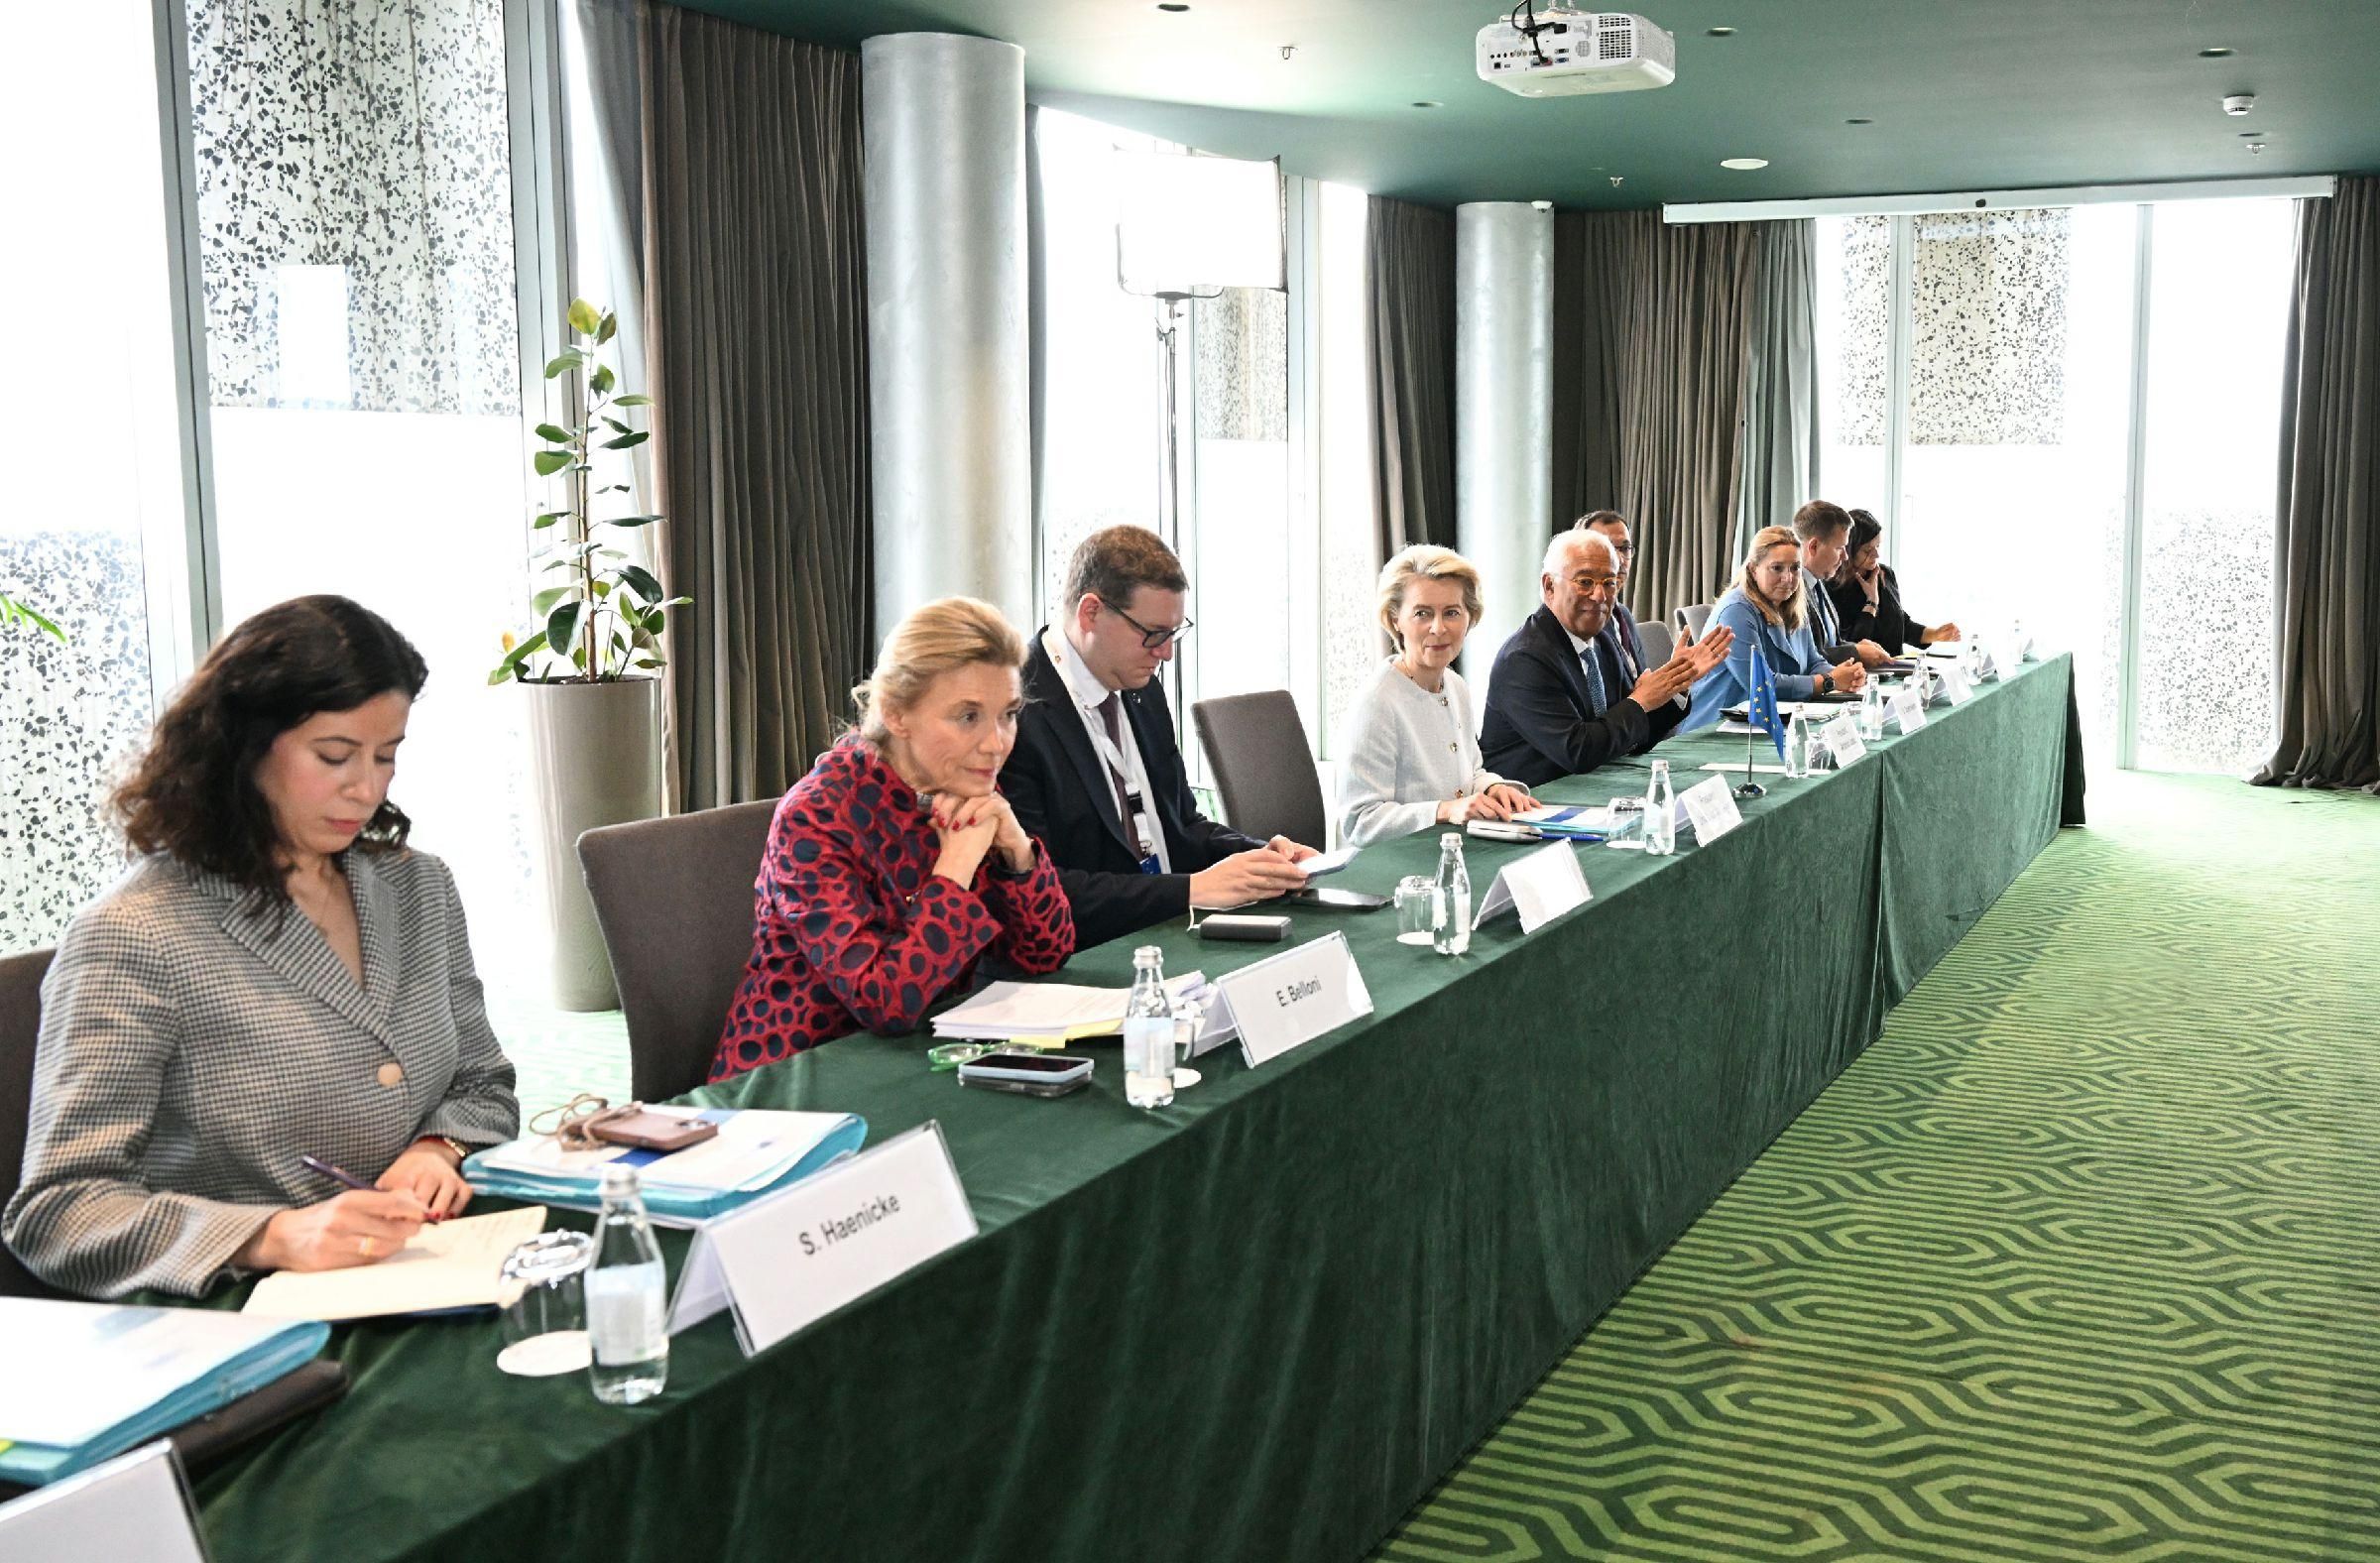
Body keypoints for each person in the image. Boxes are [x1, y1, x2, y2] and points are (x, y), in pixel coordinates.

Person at [4, 596, 519, 1300]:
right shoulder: (137, 933)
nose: (366, 789)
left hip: (431, 1272)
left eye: (387, 756)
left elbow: (482, 1084)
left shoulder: (417, 887)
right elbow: (59, 1211)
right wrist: (270, 1235)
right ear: (243, 748)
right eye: (334, 756)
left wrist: (439, 1147)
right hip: (243, 1309)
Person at [713, 597, 1074, 1079]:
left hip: (921, 1060)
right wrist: (954, 870)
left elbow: (1046, 955)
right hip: (793, 1079)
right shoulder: (817, 816)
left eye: (1007, 714)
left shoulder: (962, 788)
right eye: (968, 717)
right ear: (896, 714)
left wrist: (1018, 853)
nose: (996, 743)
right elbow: (884, 1002)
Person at [1004, 526, 1317, 951]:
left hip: (1168, 933)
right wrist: (1190, 890)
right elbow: (1042, 890)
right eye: (1152, 634)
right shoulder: (1013, 710)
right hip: (1088, 955)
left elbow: (1181, 824)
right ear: (1090, 612)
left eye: (1173, 633)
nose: (1166, 653)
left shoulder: (1140, 687)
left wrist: (1260, 857)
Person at [1480, 531, 1734, 787]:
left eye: (1609, 582)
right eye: (1585, 582)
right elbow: (1578, 752)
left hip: (1597, 785)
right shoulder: (1525, 658)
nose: (1600, 595)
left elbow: (1632, 733)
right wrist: (1640, 701)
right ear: (1549, 586)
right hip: (1535, 797)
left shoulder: (1604, 640)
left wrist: (1677, 682)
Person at [1337, 545, 1538, 845]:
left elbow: (1469, 773)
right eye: (1422, 613)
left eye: (1452, 613)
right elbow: (1359, 822)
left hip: (1450, 850)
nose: (1439, 628)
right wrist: (1444, 810)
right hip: (1395, 865)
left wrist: (1492, 788)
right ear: (1395, 619)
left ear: (1470, 618)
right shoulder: (1377, 702)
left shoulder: (1455, 685)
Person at [1686, 527, 1869, 729]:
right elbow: (1762, 685)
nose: (1788, 578)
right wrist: (1829, 682)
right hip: (1717, 727)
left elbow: (1813, 662)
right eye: (1777, 568)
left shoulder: (1793, 604)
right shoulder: (1735, 611)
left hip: (1774, 720)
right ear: (1753, 569)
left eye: (1795, 568)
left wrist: (1845, 675)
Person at [1828, 508, 1962, 654]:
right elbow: (1853, 646)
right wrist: (1872, 602)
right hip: (1861, 667)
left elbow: (1902, 626)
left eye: (1878, 546)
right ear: (1849, 549)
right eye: (1867, 550)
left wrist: (1936, 634)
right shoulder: (1833, 586)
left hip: (1895, 665)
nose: (1876, 554)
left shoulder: (1885, 575)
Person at [1791, 500, 1894, 669]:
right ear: (1813, 546)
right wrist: (1856, 652)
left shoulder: (1818, 583)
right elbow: (1805, 658)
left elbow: (1833, 643)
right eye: (1839, 548)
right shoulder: (1790, 591)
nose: (1845, 556)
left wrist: (1857, 647)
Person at [1575, 510, 1652, 680]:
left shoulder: (1624, 615)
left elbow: (1639, 681)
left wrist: (1677, 673)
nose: (1620, 559)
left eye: (1625, 549)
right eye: (1607, 548)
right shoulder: (1583, 619)